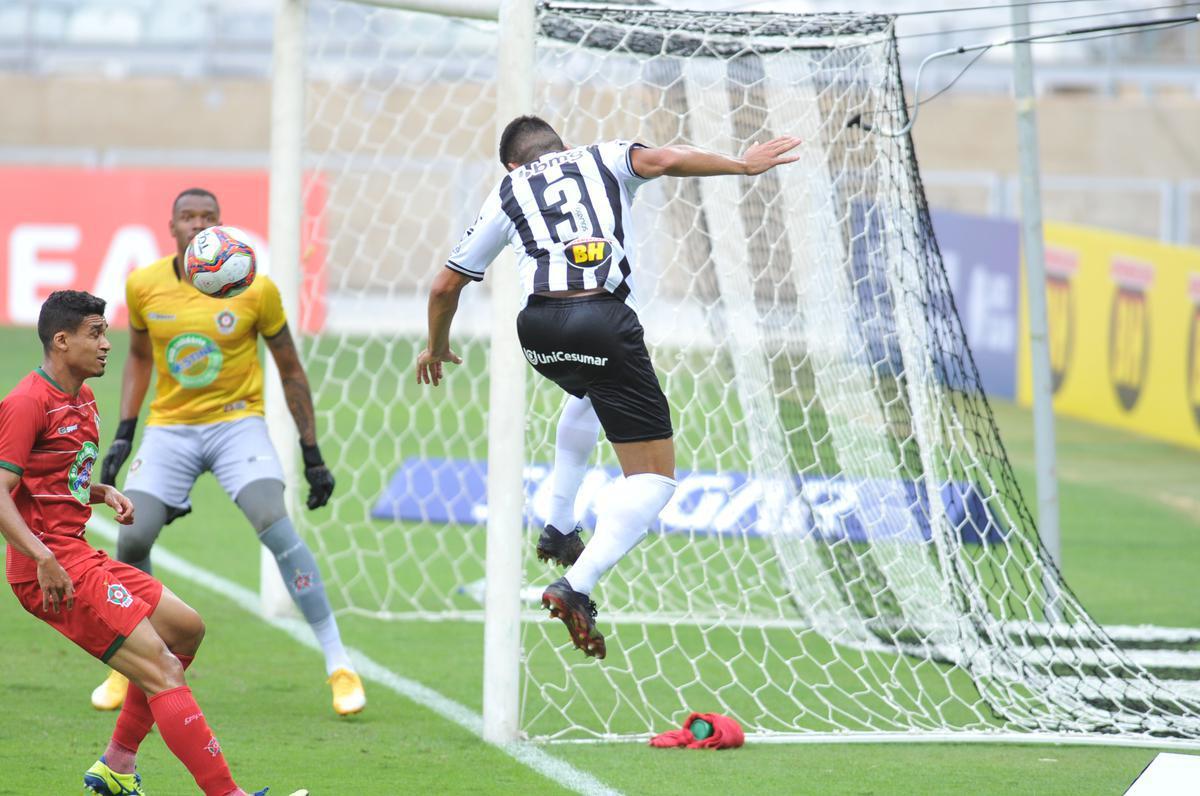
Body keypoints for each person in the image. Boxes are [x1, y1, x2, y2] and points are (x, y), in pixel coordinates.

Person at [417, 116, 801, 658]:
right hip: (601, 319)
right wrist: (741, 163)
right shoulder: (603, 156)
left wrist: (435, 346)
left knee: (589, 393)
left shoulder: (508, 188)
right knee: (654, 481)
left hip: (539, 330)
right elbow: (666, 160)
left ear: (512, 164)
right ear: (564, 147)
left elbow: (443, 285)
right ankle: (577, 584)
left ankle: (559, 523)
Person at [91, 187, 365, 717]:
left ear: (221, 225)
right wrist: (125, 431)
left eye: (208, 217)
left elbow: (288, 366)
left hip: (237, 422)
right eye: (188, 217)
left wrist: (312, 453)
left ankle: (338, 663)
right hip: (171, 427)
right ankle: (131, 663)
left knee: (273, 520)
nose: (197, 224)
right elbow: (139, 359)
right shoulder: (144, 285)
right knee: (134, 534)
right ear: (172, 226)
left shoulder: (255, 288)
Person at [0, 290, 276, 796]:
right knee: (163, 669)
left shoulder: (82, 398)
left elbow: (53, 477)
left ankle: (117, 765)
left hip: (77, 554)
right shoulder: (25, 403)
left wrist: (99, 491)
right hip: (51, 569)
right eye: (95, 333)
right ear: (62, 341)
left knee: (186, 630)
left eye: (106, 331)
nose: (108, 343)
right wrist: (41, 558)